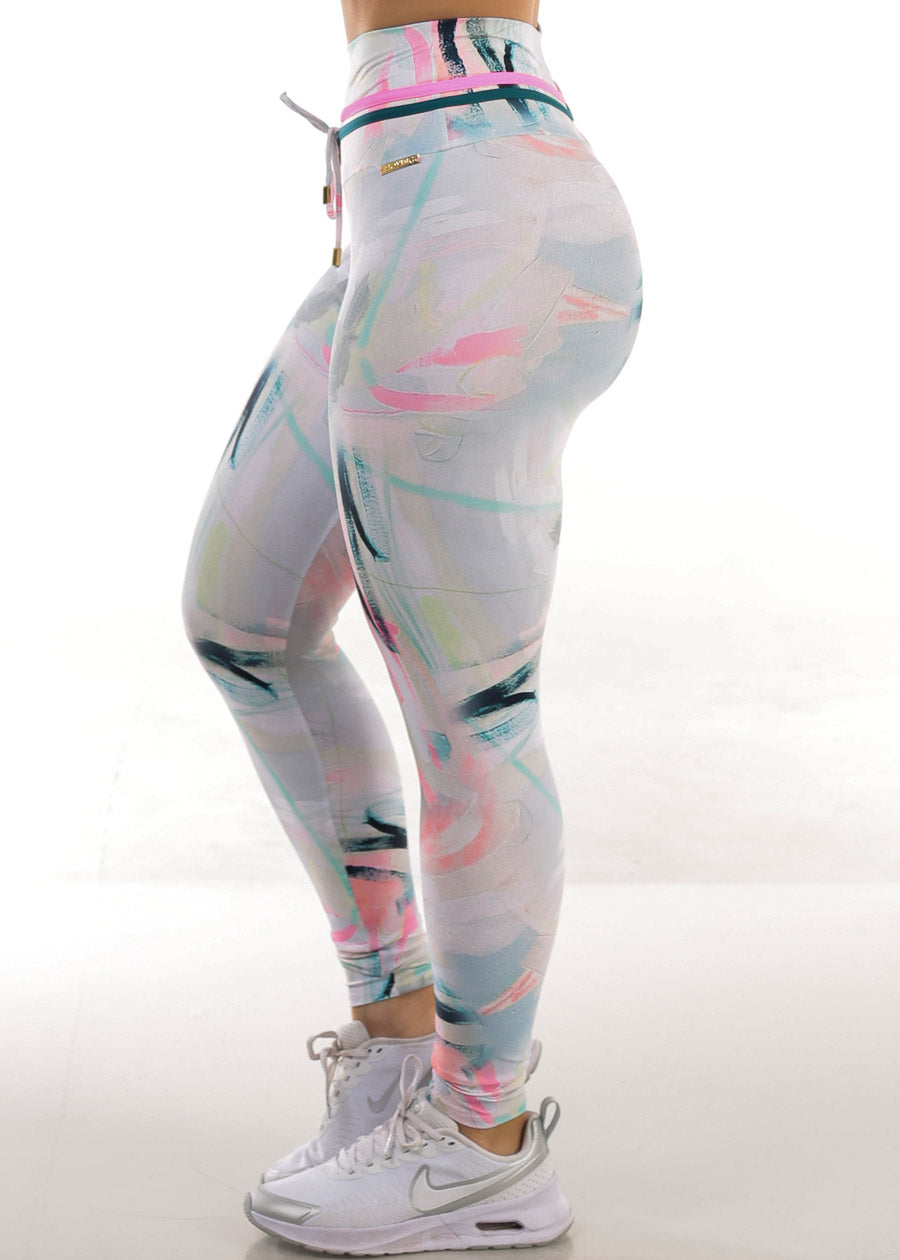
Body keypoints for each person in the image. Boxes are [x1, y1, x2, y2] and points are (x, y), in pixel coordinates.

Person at [181, 1, 641, 1251]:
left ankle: (486, 1141)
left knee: (470, 706)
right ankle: (399, 1046)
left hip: (475, 192)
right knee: (243, 625)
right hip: (401, 186)